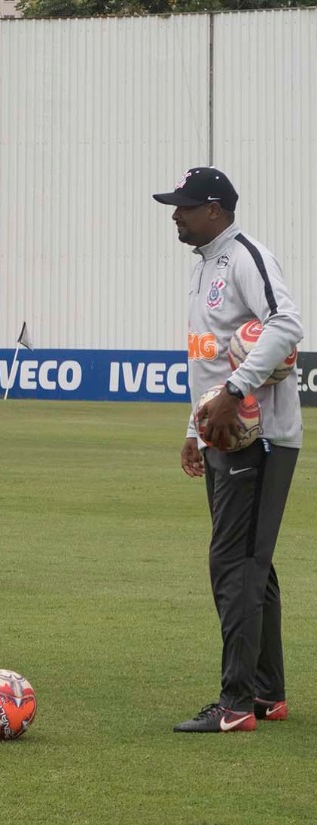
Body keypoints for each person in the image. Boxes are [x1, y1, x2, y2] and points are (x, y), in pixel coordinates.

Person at [154, 167, 303, 733]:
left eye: (185, 206)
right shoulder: (202, 269)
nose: (176, 214)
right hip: (223, 435)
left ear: (215, 209)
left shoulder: (246, 256)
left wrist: (238, 390)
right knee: (253, 566)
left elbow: (287, 324)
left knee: (234, 563)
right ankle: (266, 694)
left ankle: (236, 705)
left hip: (258, 436)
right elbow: (208, 359)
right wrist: (195, 430)